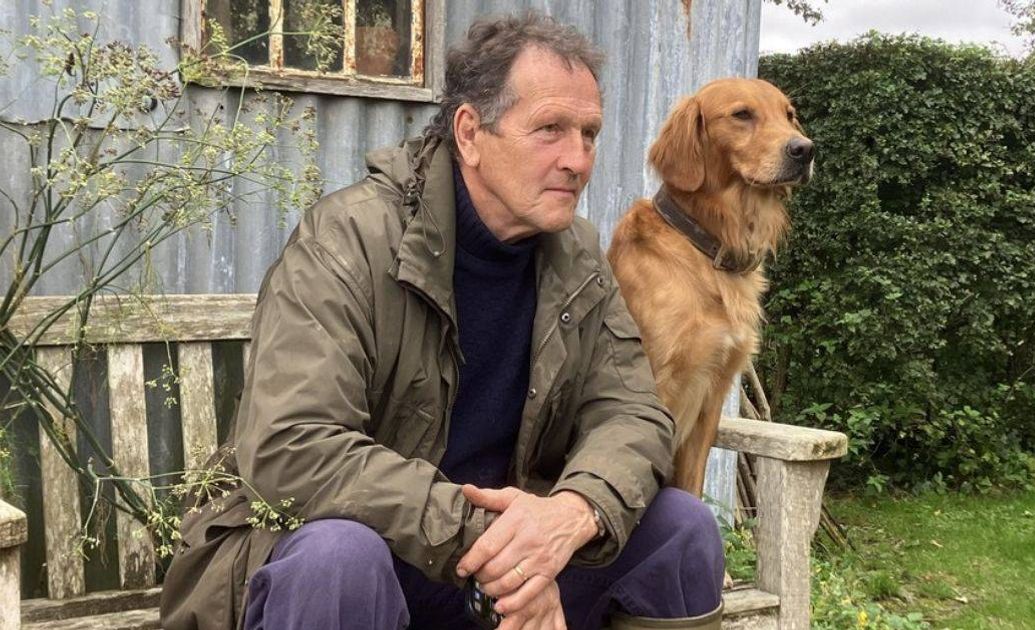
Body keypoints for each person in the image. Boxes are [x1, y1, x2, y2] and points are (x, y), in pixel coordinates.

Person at [160, 12, 725, 630]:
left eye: (589, 133)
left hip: (494, 569)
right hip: (381, 558)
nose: (577, 159)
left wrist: (573, 510)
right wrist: (497, 545)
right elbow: (293, 445)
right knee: (337, 557)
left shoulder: (579, 259)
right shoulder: (348, 240)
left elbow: (632, 413)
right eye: (550, 130)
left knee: (679, 528)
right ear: (470, 133)